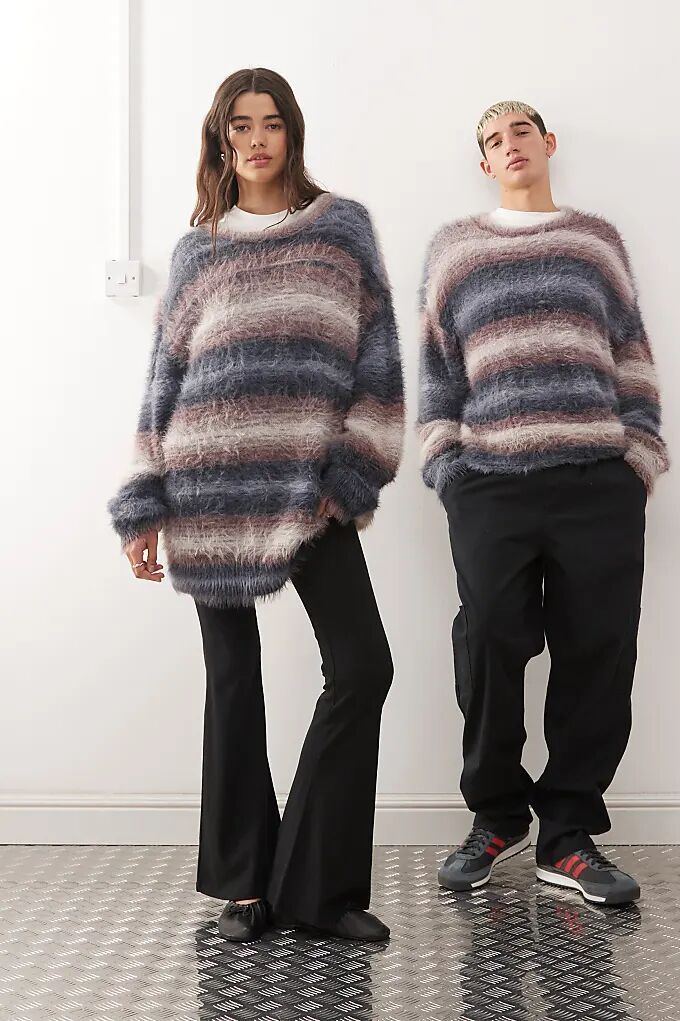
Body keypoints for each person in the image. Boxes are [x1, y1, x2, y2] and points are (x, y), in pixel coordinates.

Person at [107, 68, 405, 943]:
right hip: (207, 490)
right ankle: (245, 884)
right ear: (221, 138)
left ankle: (315, 887)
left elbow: (380, 363)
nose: (257, 139)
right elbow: (163, 383)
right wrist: (144, 500)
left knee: (363, 667)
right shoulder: (197, 252)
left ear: (292, 132)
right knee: (233, 681)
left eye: (271, 123)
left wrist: (351, 475)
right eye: (240, 125)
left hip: (311, 491)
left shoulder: (343, 229)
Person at [416, 100, 670, 906]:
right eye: (493, 139)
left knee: (599, 650)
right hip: (489, 482)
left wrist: (639, 456)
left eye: (520, 130)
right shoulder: (454, 248)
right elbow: (438, 370)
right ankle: (496, 815)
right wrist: (445, 463)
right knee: (489, 641)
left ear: (547, 142)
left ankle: (568, 834)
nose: (509, 144)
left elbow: (631, 351)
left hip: (597, 479)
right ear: (484, 164)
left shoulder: (594, 240)